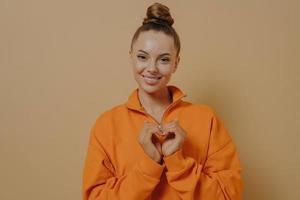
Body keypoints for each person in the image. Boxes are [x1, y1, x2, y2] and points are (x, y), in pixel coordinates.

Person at [82, 2, 243, 200]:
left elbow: (229, 196)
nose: (152, 68)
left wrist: (178, 162)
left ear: (176, 63)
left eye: (164, 59)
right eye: (143, 57)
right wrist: (150, 165)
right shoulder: (106, 125)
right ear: (131, 57)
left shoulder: (206, 119)